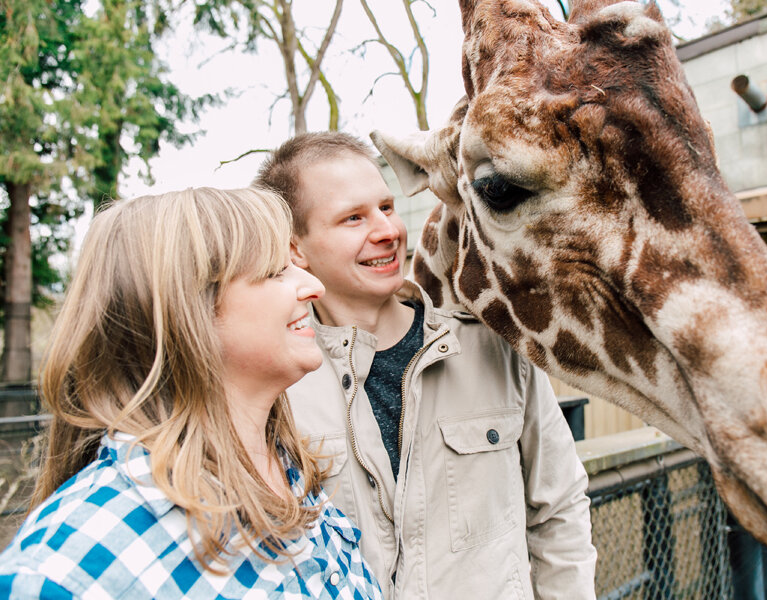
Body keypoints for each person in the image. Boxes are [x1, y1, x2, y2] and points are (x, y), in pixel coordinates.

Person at [254, 133, 597, 599]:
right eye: (353, 218)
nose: (387, 230)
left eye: (387, 207)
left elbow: (559, 509)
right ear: (296, 249)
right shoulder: (275, 385)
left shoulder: (495, 347)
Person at [0, 187, 383, 599]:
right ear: (189, 309)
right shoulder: (67, 569)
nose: (313, 286)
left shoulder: (290, 471)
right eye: (275, 271)